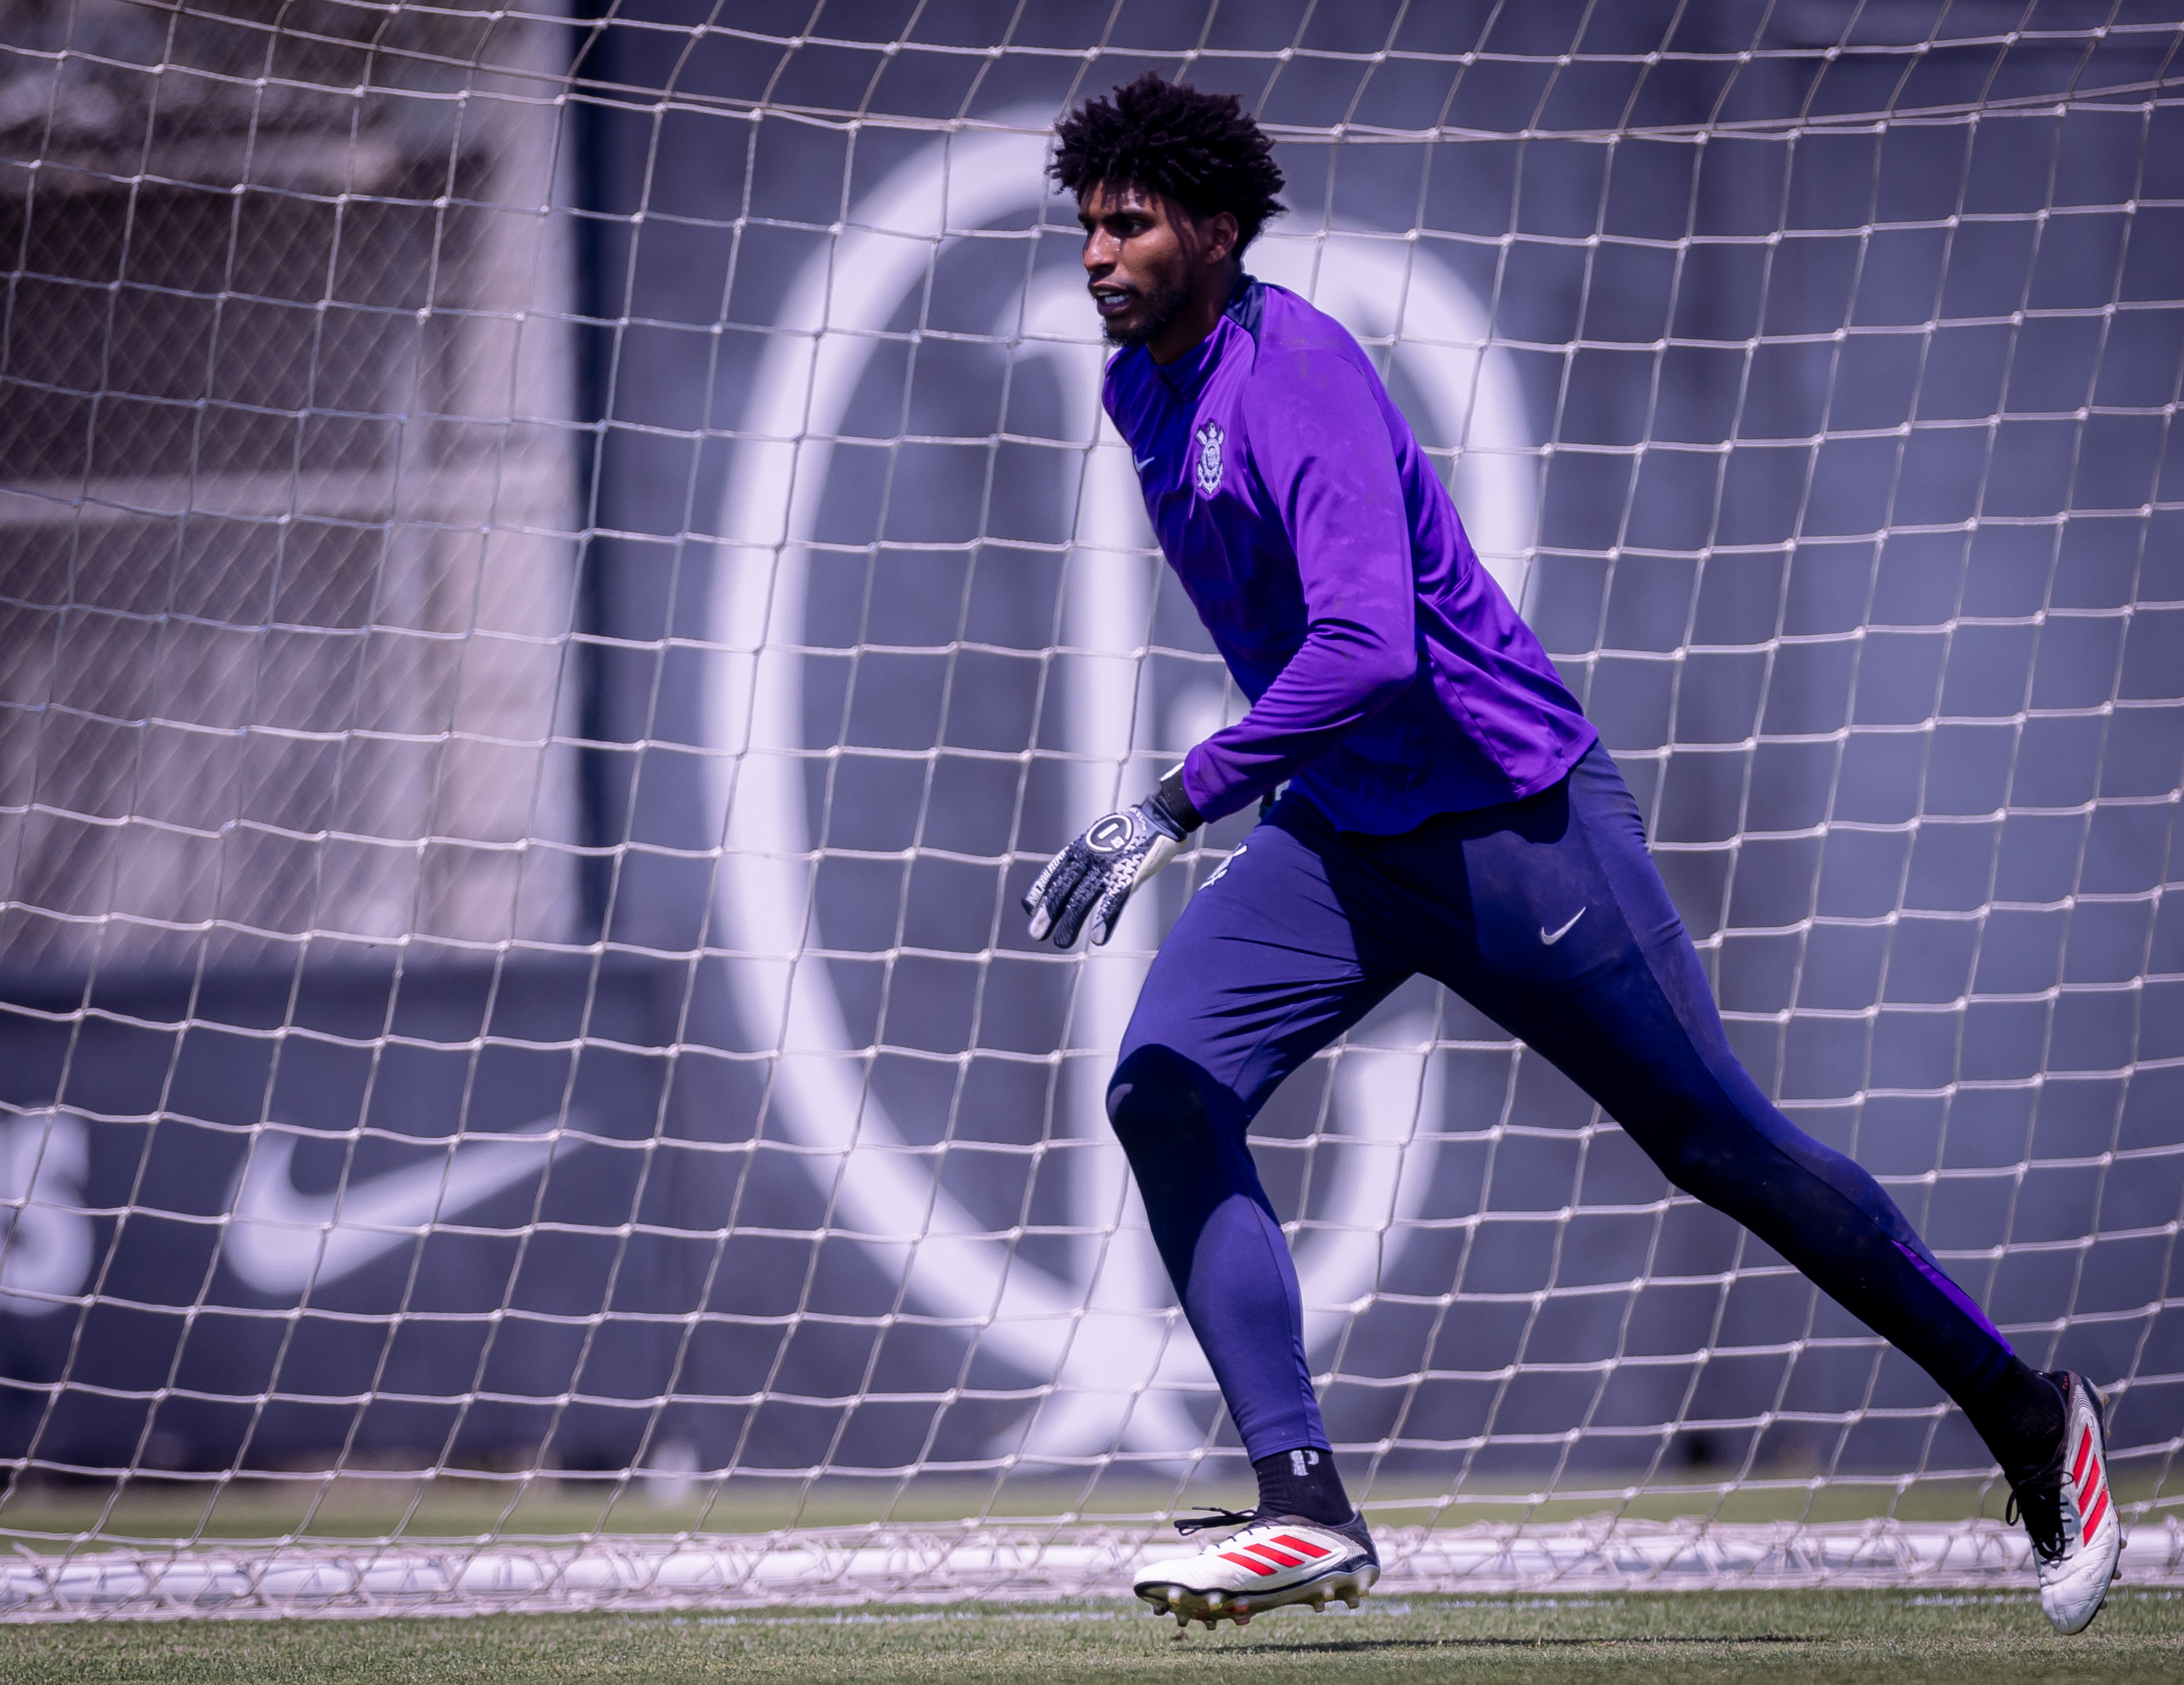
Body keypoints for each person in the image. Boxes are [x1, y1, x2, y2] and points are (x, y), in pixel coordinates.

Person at [1021, 72, 2121, 1636]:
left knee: (1719, 1144)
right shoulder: (1141, 386)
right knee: (1162, 1084)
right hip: (1343, 835)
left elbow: (1369, 646)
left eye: (1126, 223)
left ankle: (2034, 1417)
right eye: (1085, 226)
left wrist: (1171, 802)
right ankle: (1306, 1505)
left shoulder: (1300, 376)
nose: (1096, 253)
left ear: (1210, 227)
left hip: (1514, 826)